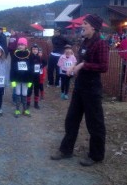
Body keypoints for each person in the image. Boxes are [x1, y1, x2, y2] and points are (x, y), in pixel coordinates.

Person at [51, 14, 109, 167]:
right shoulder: (85, 41)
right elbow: (82, 60)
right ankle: (66, 150)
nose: (82, 26)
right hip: (80, 86)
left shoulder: (101, 43)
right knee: (71, 119)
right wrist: (74, 67)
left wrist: (83, 66)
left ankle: (96, 155)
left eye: (85, 24)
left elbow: (103, 67)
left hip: (92, 88)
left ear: (93, 26)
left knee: (94, 123)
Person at [10, 37, 32, 117]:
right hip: (17, 78)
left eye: (22, 44)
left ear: (25, 45)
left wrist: (30, 80)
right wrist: (12, 80)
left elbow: (31, 68)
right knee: (18, 93)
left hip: (26, 78)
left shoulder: (30, 54)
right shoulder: (14, 55)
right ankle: (17, 110)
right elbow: (12, 68)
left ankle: (25, 109)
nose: (20, 46)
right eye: (19, 44)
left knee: (25, 93)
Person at [27, 44, 42, 109]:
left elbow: (44, 63)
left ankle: (36, 103)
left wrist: (41, 66)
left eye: (36, 49)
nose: (35, 50)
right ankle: (28, 103)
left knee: (36, 89)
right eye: (33, 49)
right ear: (31, 50)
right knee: (29, 89)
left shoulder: (39, 57)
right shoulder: (29, 57)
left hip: (37, 76)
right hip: (30, 76)